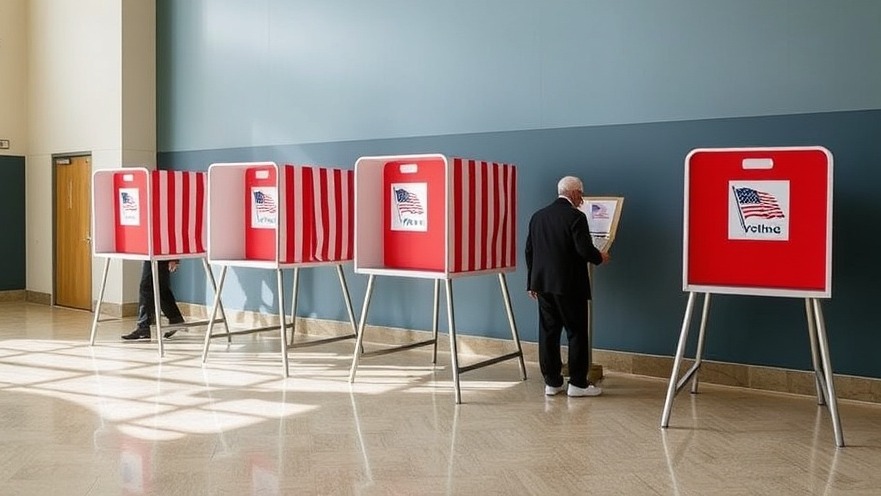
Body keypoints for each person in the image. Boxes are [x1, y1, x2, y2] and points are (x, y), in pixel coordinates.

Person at [525, 176, 610, 397]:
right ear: (573, 193)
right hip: (570, 286)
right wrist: (600, 257)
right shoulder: (576, 217)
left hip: (542, 285)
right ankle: (578, 384)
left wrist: (531, 283)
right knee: (577, 333)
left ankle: (552, 383)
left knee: (548, 333)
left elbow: (530, 252)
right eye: (581, 193)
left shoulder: (538, 216)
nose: (582, 198)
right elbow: (584, 249)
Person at [121, 260, 186, 340]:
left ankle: (144, 326)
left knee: (147, 287)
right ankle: (175, 319)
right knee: (160, 287)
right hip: (158, 253)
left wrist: (174, 259)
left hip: (157, 252)